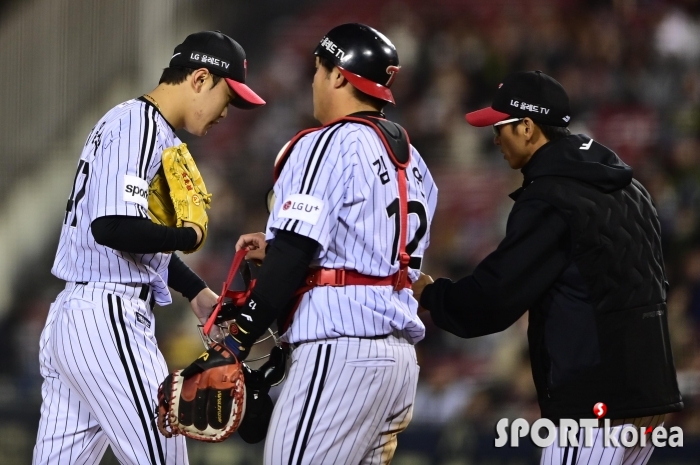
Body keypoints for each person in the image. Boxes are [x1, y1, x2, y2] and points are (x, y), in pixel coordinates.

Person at [415, 70, 683, 464]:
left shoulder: (551, 197)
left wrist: (431, 293)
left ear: (527, 127)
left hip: (593, 398)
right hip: (648, 391)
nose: (494, 138)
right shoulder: (629, 186)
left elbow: (493, 299)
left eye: (500, 127)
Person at [33, 31, 265, 465]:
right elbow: (112, 226)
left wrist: (194, 290)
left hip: (82, 316)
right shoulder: (138, 123)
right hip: (107, 318)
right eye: (227, 98)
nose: (226, 114)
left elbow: (122, 231)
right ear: (199, 78)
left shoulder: (138, 124)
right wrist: (188, 237)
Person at [227, 23, 437, 464]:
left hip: (341, 353)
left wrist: (236, 342)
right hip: (399, 362)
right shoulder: (415, 162)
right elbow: (369, 250)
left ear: (339, 76)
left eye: (318, 70)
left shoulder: (326, 142)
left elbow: (292, 254)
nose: (313, 81)